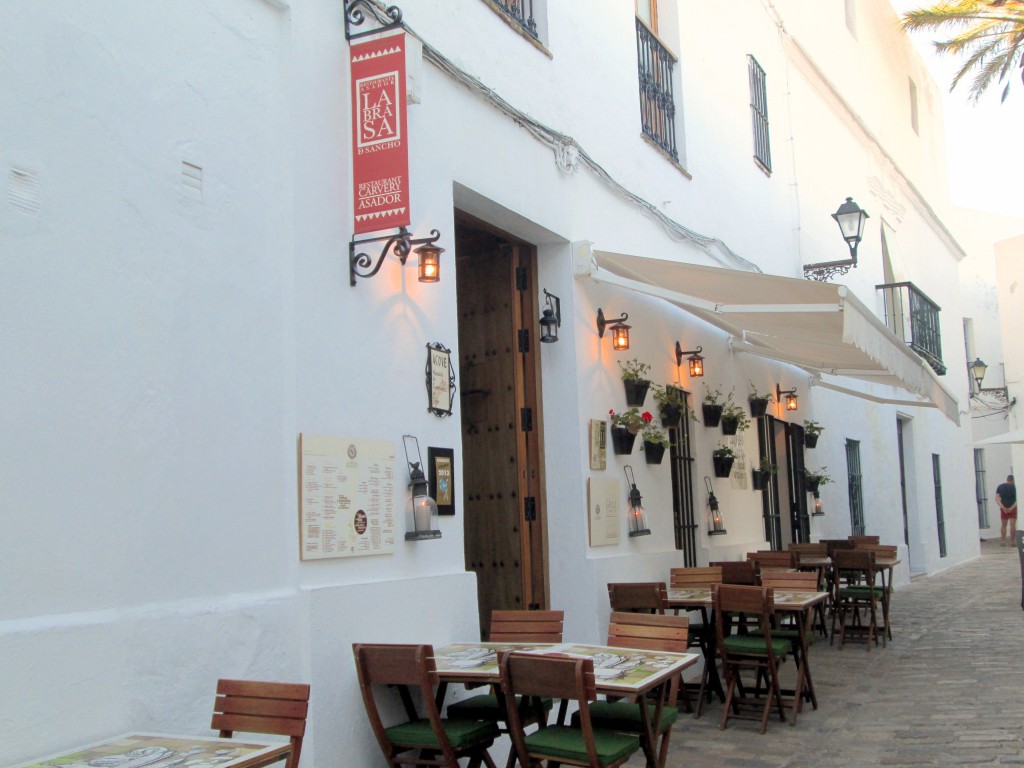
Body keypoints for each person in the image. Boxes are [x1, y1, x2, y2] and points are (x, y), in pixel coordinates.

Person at [996, 474, 1016, 547]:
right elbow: (1017, 500)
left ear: (1007, 479)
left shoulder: (1000, 487)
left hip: (1003, 508)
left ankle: (1003, 541)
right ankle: (1012, 542)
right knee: (1012, 525)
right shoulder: (1015, 487)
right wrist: (1012, 508)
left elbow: (997, 498)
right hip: (1013, 508)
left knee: (1003, 525)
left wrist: (1002, 507)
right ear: (1013, 480)